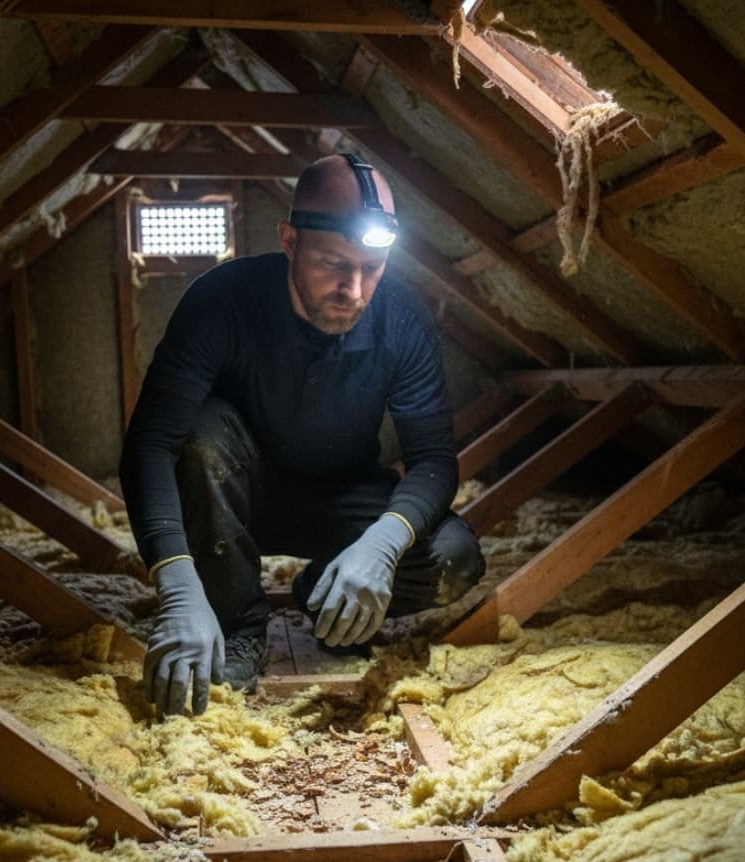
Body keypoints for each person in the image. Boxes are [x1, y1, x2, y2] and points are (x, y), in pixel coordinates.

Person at [120, 153, 485, 717]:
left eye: (372, 267)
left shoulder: (402, 316)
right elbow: (151, 441)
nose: (355, 289)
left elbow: (435, 459)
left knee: (454, 557)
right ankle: (237, 623)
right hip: (230, 498)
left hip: (340, 499)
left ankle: (328, 594)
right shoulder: (223, 301)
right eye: (334, 264)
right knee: (200, 434)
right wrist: (175, 582)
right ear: (290, 241)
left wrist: (383, 547)